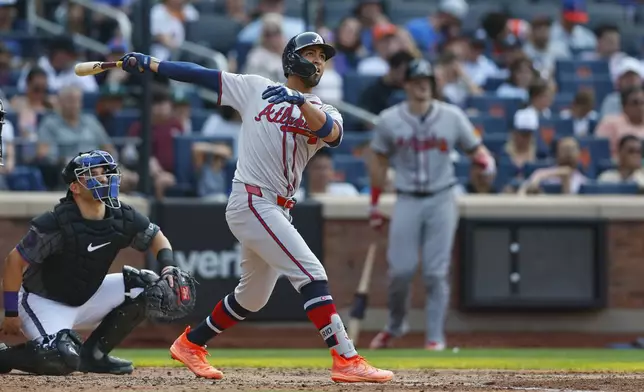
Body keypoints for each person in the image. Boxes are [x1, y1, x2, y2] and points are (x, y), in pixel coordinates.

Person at [118, 31, 393, 383]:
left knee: (253, 296)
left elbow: (333, 135)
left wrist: (299, 100)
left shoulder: (324, 108)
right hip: (251, 199)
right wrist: (153, 64)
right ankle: (346, 357)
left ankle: (191, 343)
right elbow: (199, 73)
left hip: (279, 207)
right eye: (312, 54)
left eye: (323, 57)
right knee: (311, 274)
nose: (319, 62)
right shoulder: (255, 88)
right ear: (292, 58)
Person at [0, 150, 196, 375]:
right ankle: (4, 356)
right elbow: (14, 262)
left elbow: (157, 238)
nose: (103, 178)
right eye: (92, 174)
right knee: (58, 357)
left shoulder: (121, 215)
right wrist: (12, 313)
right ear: (75, 187)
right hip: (43, 301)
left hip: (87, 295)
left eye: (104, 172)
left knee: (149, 285)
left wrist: (168, 266)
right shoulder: (56, 222)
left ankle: (94, 356)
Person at [366, 59, 496, 351]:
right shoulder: (389, 119)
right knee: (400, 270)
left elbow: (477, 151)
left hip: (442, 197)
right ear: (406, 84)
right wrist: (374, 206)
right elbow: (377, 162)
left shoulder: (452, 116)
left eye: (427, 80)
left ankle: (435, 337)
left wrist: (487, 163)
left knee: (436, 273)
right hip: (407, 198)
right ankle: (396, 325)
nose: (422, 85)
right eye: (416, 80)